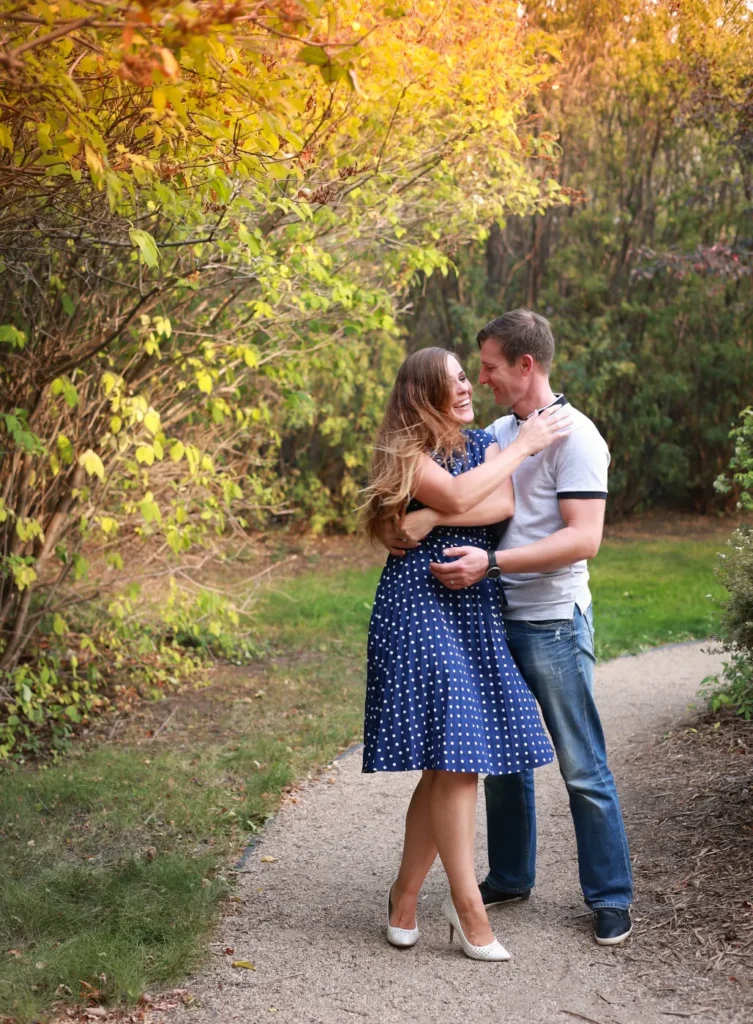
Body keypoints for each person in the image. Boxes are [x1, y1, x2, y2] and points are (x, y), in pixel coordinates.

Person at [382, 310, 634, 947]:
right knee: (499, 759)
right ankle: (510, 876)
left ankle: (609, 896)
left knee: (581, 763)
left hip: (548, 616)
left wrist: (481, 552)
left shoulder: (576, 436)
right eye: (471, 371)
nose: (482, 379)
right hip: (488, 615)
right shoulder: (495, 431)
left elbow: (584, 538)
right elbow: (453, 497)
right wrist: (420, 520)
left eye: (488, 367)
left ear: (525, 366)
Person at [361, 345, 570, 962]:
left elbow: (500, 503)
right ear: (424, 390)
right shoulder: (407, 451)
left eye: (466, 378)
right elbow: (457, 497)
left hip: (471, 604)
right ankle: (467, 905)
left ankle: (404, 897)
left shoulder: (476, 444)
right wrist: (511, 455)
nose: (467, 387)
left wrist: (428, 517)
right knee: (457, 756)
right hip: (418, 603)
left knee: (452, 761)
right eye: (455, 380)